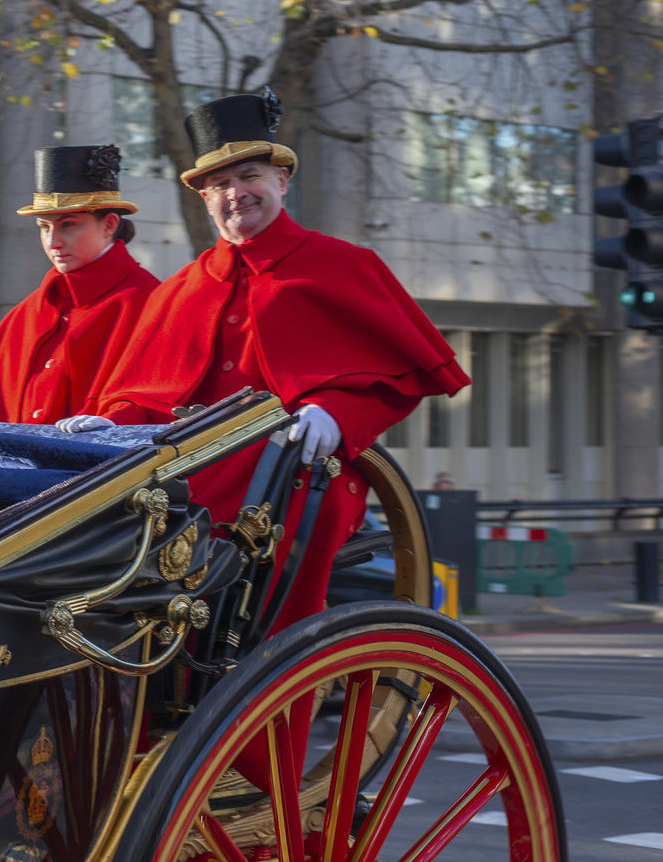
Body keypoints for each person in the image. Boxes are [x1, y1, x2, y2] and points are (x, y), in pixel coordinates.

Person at [64, 89, 469, 635]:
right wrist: (110, 425)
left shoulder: (343, 265)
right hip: (188, 476)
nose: (236, 193)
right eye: (220, 184)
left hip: (299, 475)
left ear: (282, 180)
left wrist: (334, 410)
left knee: (280, 569)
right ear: (205, 199)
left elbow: (398, 379)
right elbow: (147, 395)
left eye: (249, 176)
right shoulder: (181, 287)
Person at [0, 145, 160, 425]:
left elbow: (158, 403)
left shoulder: (153, 303)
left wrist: (120, 421)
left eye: (68, 225)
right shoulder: (27, 312)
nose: (53, 242)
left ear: (109, 225)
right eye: (44, 227)